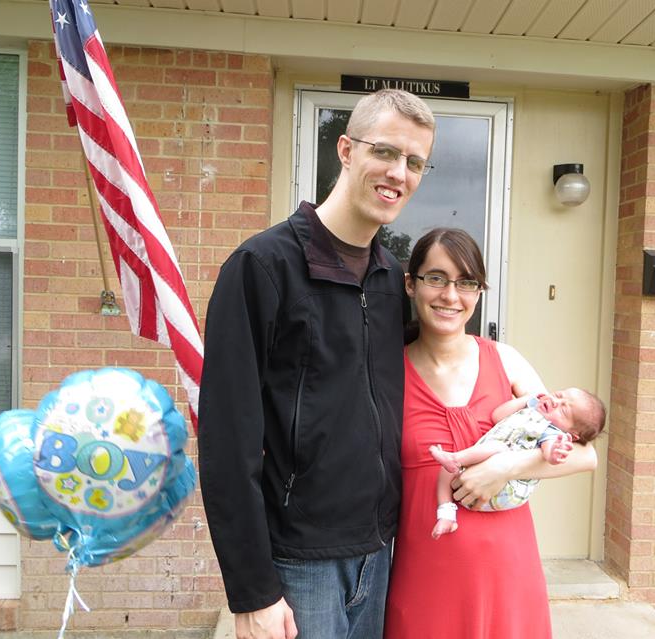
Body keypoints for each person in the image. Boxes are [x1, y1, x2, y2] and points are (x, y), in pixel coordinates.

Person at [198, 89, 435, 639]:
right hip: (300, 562)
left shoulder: (390, 279)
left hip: (379, 551)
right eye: (385, 152)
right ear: (346, 150)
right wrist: (253, 591)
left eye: (415, 162)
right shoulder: (262, 267)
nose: (398, 173)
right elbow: (226, 443)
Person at [383, 228, 599, 639]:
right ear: (411, 284)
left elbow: (586, 455)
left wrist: (504, 468)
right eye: (436, 278)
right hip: (425, 579)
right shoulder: (387, 370)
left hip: (508, 575)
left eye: (466, 282)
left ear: (479, 292)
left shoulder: (505, 359)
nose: (451, 295)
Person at [429, 387, 606, 538]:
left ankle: (456, 458)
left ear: (572, 435)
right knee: (446, 470)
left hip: (505, 489)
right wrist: (527, 400)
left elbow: (548, 454)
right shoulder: (530, 412)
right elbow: (497, 415)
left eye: (564, 410)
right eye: (559, 395)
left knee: (498, 448)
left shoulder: (550, 431)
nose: (555, 402)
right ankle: (446, 514)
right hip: (477, 477)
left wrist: (556, 452)